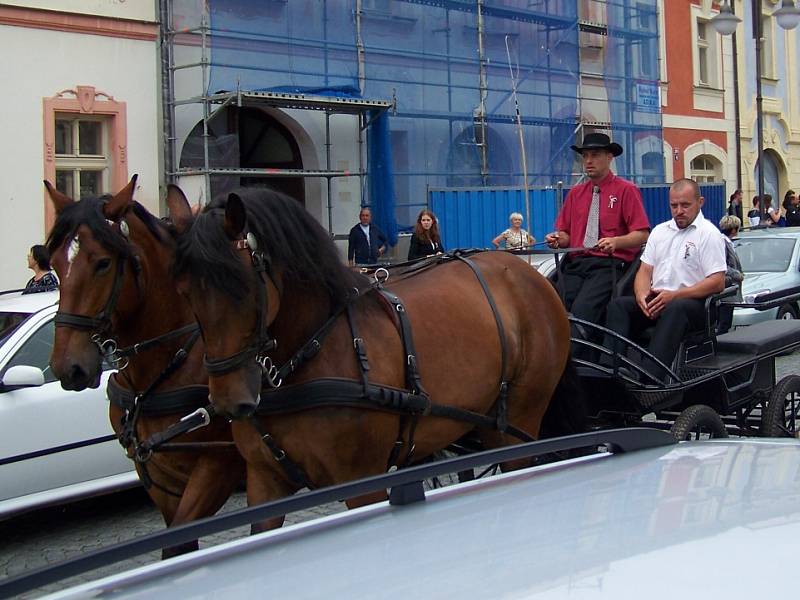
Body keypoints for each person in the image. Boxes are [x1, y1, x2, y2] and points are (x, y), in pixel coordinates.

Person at [604, 179, 726, 370]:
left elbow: (717, 282)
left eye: (685, 205)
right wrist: (642, 296)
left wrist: (675, 296)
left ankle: (650, 374)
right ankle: (610, 368)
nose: (679, 211)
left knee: (675, 309)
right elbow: (644, 270)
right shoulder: (659, 231)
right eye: (674, 205)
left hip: (693, 304)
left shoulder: (709, 234)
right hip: (660, 298)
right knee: (618, 306)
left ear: (700, 202)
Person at [544, 132, 650, 328]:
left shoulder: (626, 190)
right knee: (552, 305)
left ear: (609, 157)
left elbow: (642, 234)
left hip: (608, 266)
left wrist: (616, 242)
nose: (588, 161)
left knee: (582, 311)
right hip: (576, 265)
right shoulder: (575, 193)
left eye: (595, 155)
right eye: (585, 156)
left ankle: (579, 354)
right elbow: (566, 235)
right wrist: (558, 239)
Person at [717, 215, 744, 334]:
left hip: (729, 289)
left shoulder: (728, 242)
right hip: (727, 290)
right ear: (733, 229)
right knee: (724, 322)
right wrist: (737, 274)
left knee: (726, 321)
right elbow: (721, 265)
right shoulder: (723, 243)